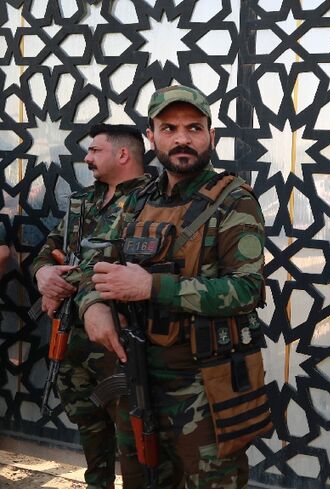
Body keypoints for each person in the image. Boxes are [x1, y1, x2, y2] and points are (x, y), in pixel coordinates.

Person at [82, 84, 272, 487]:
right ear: (151, 137)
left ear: (211, 136)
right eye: (169, 128)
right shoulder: (138, 199)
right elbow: (93, 265)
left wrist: (153, 287)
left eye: (194, 127)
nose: (182, 138)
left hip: (204, 387)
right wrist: (92, 305)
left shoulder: (233, 199)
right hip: (136, 377)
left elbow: (246, 290)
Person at [32, 123, 152, 488]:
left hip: (119, 340)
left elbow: (113, 267)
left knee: (133, 439)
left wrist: (64, 281)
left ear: (123, 154)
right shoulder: (83, 200)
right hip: (73, 337)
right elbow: (46, 252)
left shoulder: (151, 201)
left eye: (94, 150)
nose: (86, 158)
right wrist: (43, 276)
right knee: (88, 424)